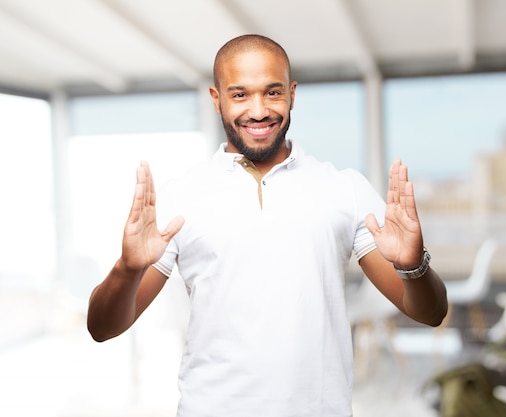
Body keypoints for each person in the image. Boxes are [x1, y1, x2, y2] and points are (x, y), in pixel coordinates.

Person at [87, 34, 448, 417]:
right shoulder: (181, 196)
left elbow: (431, 312)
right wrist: (127, 268)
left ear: (292, 94)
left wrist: (412, 265)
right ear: (217, 99)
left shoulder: (345, 189)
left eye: (272, 93)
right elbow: (102, 328)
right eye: (240, 95)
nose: (258, 111)